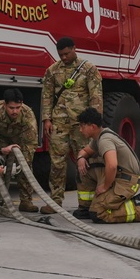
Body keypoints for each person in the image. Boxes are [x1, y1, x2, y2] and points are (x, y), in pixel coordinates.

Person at [39, 36, 103, 213]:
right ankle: (55, 202)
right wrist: (46, 119)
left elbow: (96, 97)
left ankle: (87, 203)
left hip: (81, 125)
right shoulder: (52, 71)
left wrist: (93, 124)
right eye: (61, 55)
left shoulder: (89, 69)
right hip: (59, 124)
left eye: (67, 53)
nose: (64, 57)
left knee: (85, 162)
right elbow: (47, 96)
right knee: (57, 163)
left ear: (74, 48)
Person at [72, 107, 140, 223]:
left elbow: (112, 165)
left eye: (82, 126)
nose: (80, 130)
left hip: (127, 181)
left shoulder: (105, 140)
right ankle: (86, 208)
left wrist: (105, 186)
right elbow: (85, 151)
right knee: (83, 167)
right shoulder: (98, 138)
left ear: (92, 127)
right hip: (119, 175)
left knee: (98, 213)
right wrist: (80, 158)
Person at [0, 88, 40, 213]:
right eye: (11, 108)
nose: (15, 111)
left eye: (18, 107)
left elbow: (30, 144)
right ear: (4, 104)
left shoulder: (28, 115)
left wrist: (20, 164)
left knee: (25, 166)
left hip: (19, 138)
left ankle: (26, 201)